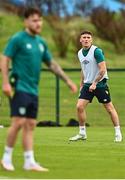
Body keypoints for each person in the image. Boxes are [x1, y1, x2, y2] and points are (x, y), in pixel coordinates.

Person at [0, 7, 77, 172]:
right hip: (20, 87)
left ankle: (29, 161)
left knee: (30, 124)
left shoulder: (41, 43)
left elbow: (52, 64)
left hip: (33, 90)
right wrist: (5, 83)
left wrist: (68, 81)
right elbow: (5, 58)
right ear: (26, 21)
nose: (38, 23)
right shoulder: (18, 39)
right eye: (34, 20)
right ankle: (6, 158)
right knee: (18, 122)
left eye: (40, 20)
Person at [69, 30, 122, 142]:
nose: (86, 39)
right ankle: (82, 133)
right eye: (84, 37)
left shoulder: (96, 51)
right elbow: (83, 70)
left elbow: (103, 69)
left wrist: (95, 83)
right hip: (88, 84)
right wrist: (81, 84)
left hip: (100, 84)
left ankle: (118, 132)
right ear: (80, 40)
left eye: (88, 37)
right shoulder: (79, 53)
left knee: (109, 108)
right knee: (79, 107)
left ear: (91, 40)